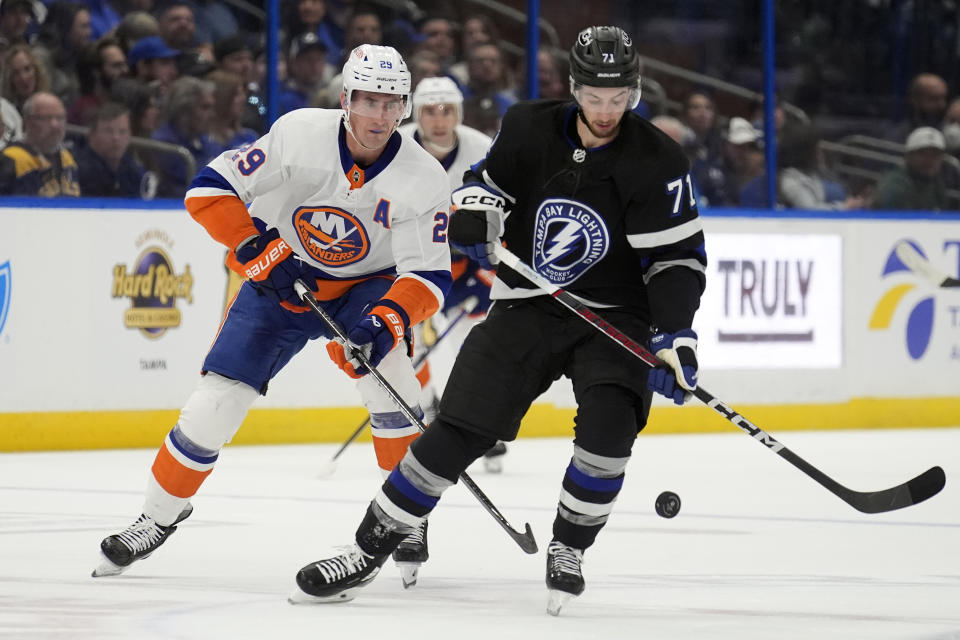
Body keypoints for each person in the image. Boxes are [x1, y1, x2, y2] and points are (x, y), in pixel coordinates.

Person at [290, 25, 706, 616]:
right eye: (594, 97)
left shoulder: (659, 159)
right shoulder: (530, 126)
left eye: (618, 99)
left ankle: (570, 547)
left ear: (634, 92)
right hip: (527, 304)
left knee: (609, 438)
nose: (606, 111)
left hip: (617, 318)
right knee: (458, 426)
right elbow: (485, 184)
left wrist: (674, 336)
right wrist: (477, 210)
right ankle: (369, 547)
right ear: (575, 88)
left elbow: (676, 260)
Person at [92, 45, 452, 593]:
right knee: (216, 400)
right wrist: (258, 248)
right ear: (345, 100)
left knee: (393, 387)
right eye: (369, 101)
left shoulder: (422, 176)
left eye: (392, 103)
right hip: (278, 278)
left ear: (404, 107)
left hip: (366, 287)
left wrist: (388, 319)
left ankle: (407, 519)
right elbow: (209, 189)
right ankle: (159, 514)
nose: (380, 116)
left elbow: (428, 278)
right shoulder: (299, 134)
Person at [396, 75, 505, 471]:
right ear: (414, 113)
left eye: (447, 110)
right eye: (429, 110)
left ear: (459, 113)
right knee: (404, 346)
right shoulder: (396, 147)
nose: (439, 120)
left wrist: (487, 275)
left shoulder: (482, 149)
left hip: (467, 266)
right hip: (411, 261)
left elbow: (504, 219)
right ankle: (425, 412)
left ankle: (477, 427)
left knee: (474, 350)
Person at [0, 91, 80, 196]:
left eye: (60, 118)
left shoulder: (67, 157)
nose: (54, 125)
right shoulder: (10, 159)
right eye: (45, 118)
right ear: (27, 121)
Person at [74, 101, 154, 198]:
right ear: (92, 135)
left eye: (122, 131)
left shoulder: (132, 167)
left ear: (130, 136)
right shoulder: (79, 171)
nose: (116, 138)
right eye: (108, 131)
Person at [872, 126, 950, 211]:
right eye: (922, 153)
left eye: (935, 155)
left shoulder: (936, 184)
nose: (929, 160)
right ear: (908, 156)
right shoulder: (895, 186)